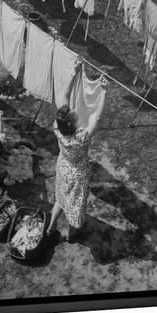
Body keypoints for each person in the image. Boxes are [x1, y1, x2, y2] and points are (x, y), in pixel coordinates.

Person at [46, 60, 107, 242]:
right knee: (76, 206)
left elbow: (64, 96)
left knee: (61, 198)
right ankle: (74, 233)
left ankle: (50, 228)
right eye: (74, 114)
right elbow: (97, 116)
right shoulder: (81, 138)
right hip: (78, 175)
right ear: (73, 124)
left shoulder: (58, 128)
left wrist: (74, 73)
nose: (74, 111)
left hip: (63, 167)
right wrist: (103, 90)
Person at [0, 110, 36, 206]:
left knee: (16, 145)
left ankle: (24, 142)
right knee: (4, 173)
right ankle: (1, 183)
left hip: (5, 145)